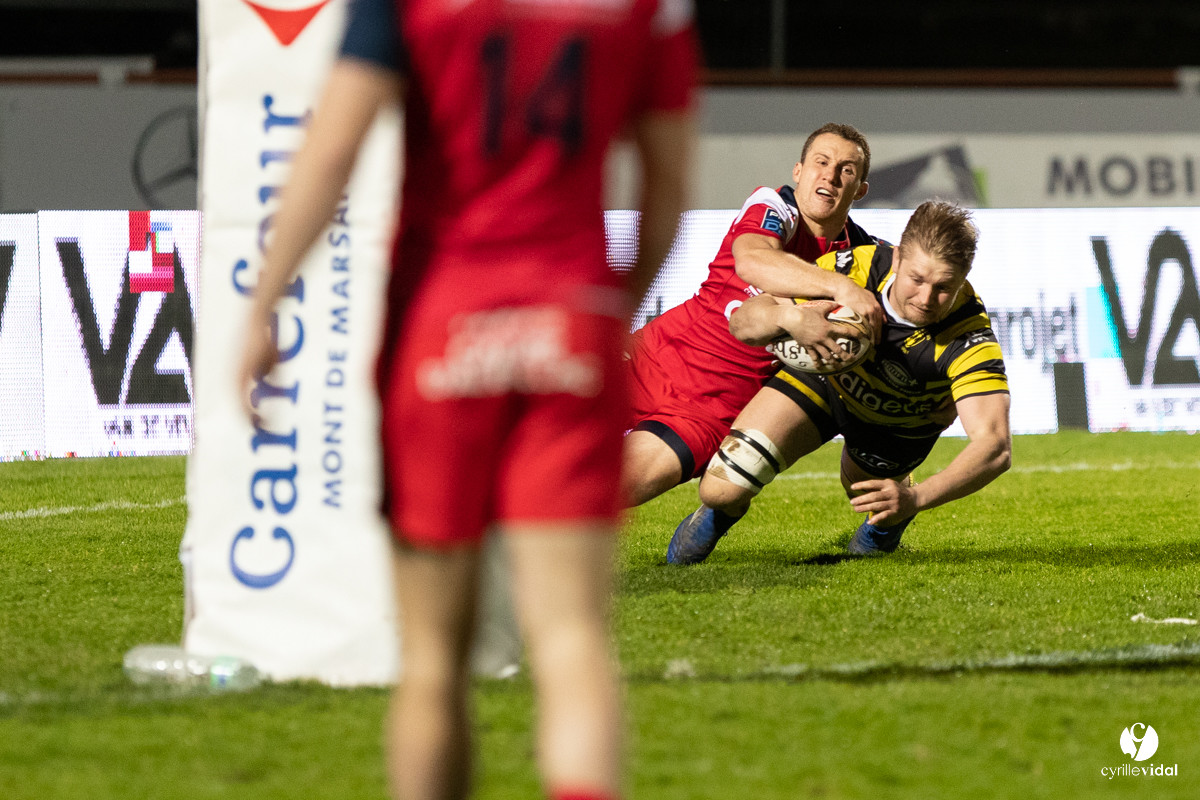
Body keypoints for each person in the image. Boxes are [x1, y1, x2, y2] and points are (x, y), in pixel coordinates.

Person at [236, 2, 699, 799]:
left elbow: (334, 147)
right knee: (571, 642)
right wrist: (604, 309)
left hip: (441, 329)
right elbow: (666, 188)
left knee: (430, 663)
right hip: (568, 323)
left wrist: (262, 302)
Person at [667, 200, 1011, 565]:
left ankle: (889, 521)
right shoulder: (852, 271)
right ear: (896, 259)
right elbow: (742, 323)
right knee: (722, 487)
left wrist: (917, 498)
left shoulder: (968, 336)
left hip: (894, 423)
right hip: (821, 382)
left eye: (944, 287)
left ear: (964, 279)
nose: (926, 299)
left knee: (875, 500)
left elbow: (995, 447)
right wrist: (789, 317)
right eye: (918, 279)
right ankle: (722, 512)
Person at [622, 122, 884, 507]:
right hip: (655, 353)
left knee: (597, 494)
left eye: (846, 169)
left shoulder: (865, 256)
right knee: (523, 436)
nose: (829, 175)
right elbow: (752, 260)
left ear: (859, 189)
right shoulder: (775, 205)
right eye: (821, 162)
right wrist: (840, 287)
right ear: (799, 172)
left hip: (709, 410)